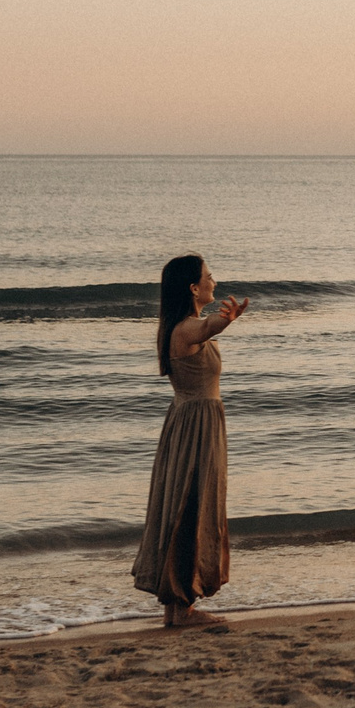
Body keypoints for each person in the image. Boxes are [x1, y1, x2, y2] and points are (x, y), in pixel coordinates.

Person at [133, 253, 246, 627]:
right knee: (192, 505)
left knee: (186, 504)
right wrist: (223, 321)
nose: (214, 281)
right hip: (196, 424)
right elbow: (205, 330)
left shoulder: (180, 325)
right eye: (208, 277)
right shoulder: (185, 329)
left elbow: (205, 329)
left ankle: (178, 606)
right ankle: (182, 610)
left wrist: (217, 322)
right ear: (194, 288)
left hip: (192, 421)